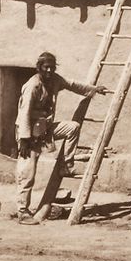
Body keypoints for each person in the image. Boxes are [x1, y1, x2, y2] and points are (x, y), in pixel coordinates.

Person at [14, 52, 109, 221]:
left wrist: (94, 89)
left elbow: (73, 85)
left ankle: (66, 165)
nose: (49, 70)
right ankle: (22, 211)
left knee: (73, 127)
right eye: (46, 67)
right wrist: (24, 139)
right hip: (29, 136)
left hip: (45, 130)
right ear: (39, 67)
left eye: (52, 67)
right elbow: (24, 113)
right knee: (27, 174)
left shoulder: (55, 80)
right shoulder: (33, 86)